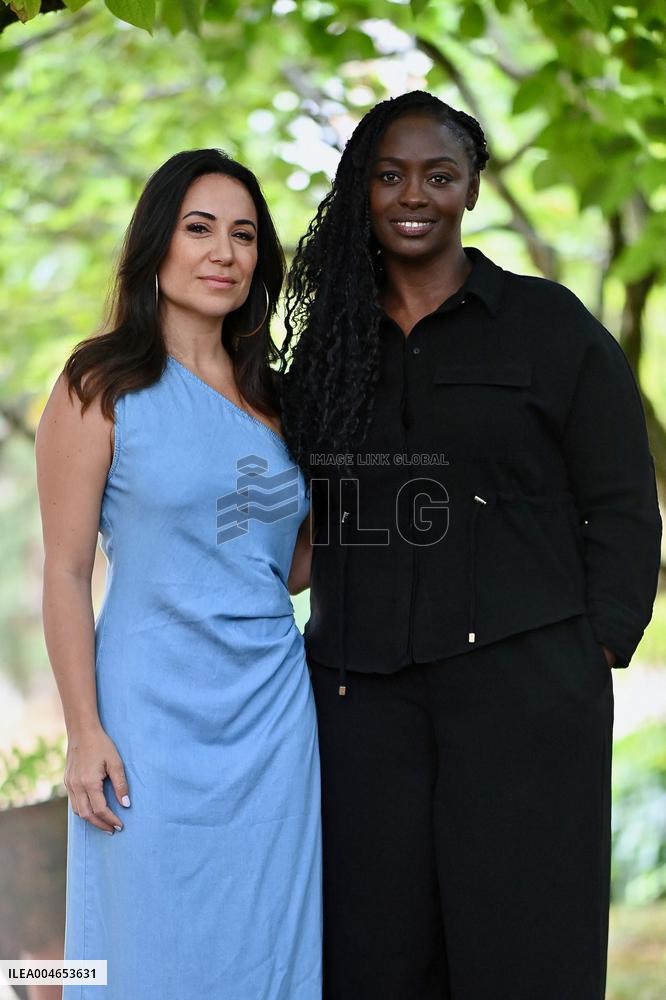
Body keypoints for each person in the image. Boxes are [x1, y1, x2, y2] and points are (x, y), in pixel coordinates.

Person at [280, 91, 662, 999]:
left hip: (526, 696)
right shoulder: (325, 352)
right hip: (360, 704)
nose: (415, 194)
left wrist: (596, 646)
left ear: (473, 190)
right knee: (373, 957)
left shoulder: (550, 326)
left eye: (439, 175)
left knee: (526, 949)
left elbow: (622, 499)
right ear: (361, 190)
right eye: (390, 174)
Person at [35, 149, 321, 999]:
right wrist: (84, 732)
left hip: (272, 716)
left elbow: (288, 568)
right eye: (200, 229)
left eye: (243, 236)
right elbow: (62, 571)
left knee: (269, 939)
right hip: (148, 718)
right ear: (157, 243)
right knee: (147, 942)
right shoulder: (100, 383)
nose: (223, 253)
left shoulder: (278, 397)